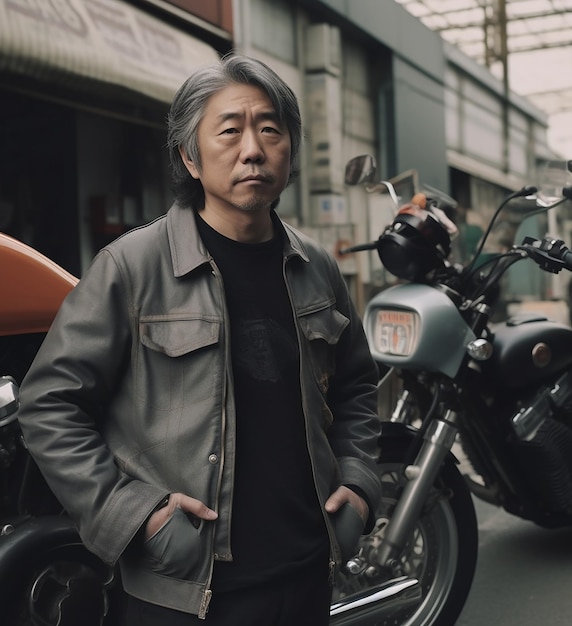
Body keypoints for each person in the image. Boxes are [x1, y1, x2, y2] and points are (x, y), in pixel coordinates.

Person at [18, 54, 382, 625]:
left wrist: (358, 482)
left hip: (309, 571)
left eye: (270, 128)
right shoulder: (131, 267)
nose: (253, 148)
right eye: (230, 130)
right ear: (190, 156)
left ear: (289, 151)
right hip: (183, 588)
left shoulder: (316, 267)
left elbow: (359, 384)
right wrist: (136, 514)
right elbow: (48, 404)